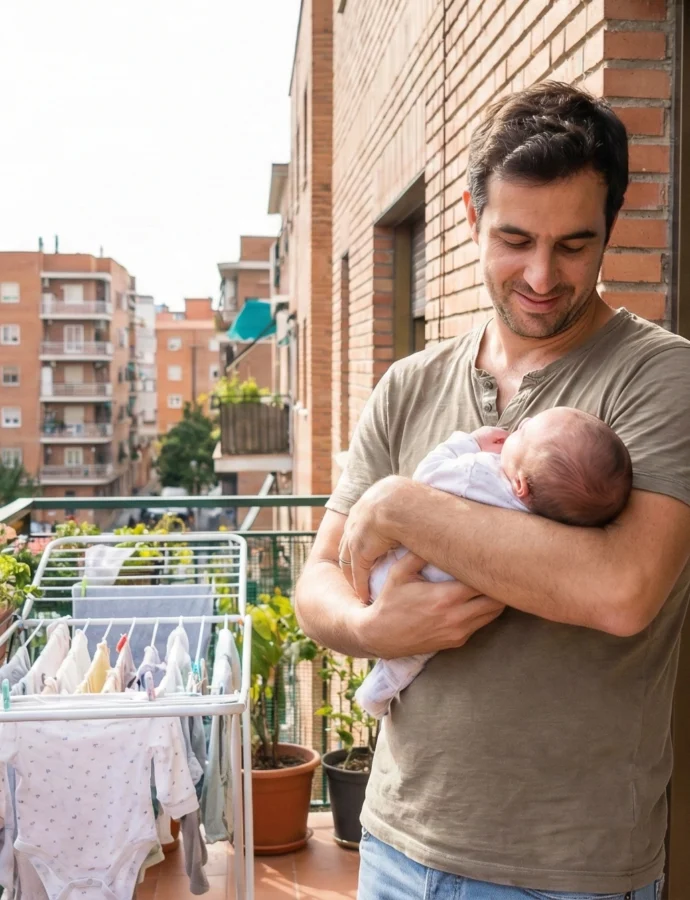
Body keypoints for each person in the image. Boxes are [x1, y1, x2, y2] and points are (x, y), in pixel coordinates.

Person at [294, 81, 690, 900]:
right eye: (514, 239)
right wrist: (370, 626)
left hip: (568, 873)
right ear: (471, 220)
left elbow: (621, 591)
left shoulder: (661, 376)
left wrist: (404, 507)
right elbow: (316, 581)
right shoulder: (409, 384)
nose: (542, 276)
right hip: (396, 843)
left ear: (610, 229)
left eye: (576, 245)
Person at [357, 408, 633, 719]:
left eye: (524, 434)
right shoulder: (545, 523)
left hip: (398, 577)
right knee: (413, 656)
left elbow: (426, 477)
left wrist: (470, 443)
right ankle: (378, 691)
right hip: (455, 598)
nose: (523, 422)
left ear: (520, 485)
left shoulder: (480, 473)